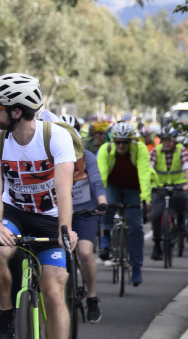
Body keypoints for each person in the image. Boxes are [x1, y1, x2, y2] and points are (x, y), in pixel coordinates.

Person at [0, 73, 78, 339]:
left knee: (53, 288)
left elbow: (64, 190)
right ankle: (6, 313)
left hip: (49, 218)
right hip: (13, 212)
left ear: (17, 110)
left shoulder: (55, 138)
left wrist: (65, 229)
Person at [61, 115, 109, 322]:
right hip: (60, 214)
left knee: (85, 253)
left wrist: (102, 201)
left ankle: (91, 296)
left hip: (85, 212)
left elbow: (97, 181)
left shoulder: (87, 156)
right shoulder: (50, 155)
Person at [96, 122, 150, 285]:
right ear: (113, 140)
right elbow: (102, 175)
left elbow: (144, 173)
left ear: (131, 142)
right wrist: (100, 199)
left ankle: (136, 267)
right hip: (113, 185)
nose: (121, 145)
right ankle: (105, 235)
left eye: (125, 142)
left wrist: (145, 198)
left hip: (133, 188)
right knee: (108, 203)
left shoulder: (140, 149)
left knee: (135, 227)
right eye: (117, 141)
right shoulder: (106, 149)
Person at [147, 128, 188, 261]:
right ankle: (157, 245)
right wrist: (148, 183)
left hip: (178, 184)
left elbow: (187, 167)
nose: (167, 143)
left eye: (170, 140)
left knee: (181, 200)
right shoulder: (155, 151)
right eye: (165, 140)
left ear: (174, 141)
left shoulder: (181, 150)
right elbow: (149, 168)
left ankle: (180, 222)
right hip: (159, 186)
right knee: (155, 215)